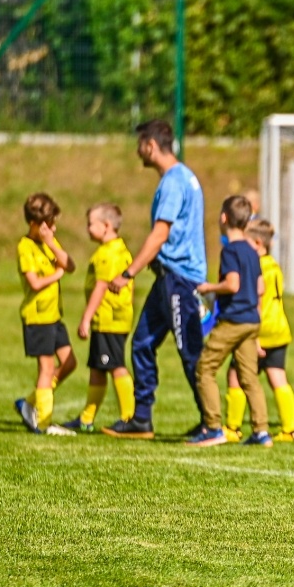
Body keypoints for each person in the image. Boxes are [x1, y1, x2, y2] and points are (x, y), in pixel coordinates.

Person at [104, 118, 207, 440]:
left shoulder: (175, 182)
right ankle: (142, 419)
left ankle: (213, 422)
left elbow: (160, 233)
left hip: (181, 280)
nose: (138, 151)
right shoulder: (181, 178)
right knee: (142, 343)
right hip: (168, 278)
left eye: (140, 145)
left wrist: (128, 273)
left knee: (190, 350)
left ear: (150, 145)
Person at [191, 196, 270, 448]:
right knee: (249, 378)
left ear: (224, 218)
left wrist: (208, 288)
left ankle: (213, 429)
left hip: (233, 321)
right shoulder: (251, 250)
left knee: (205, 369)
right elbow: (260, 287)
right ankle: (261, 432)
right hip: (251, 321)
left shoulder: (231, 250)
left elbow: (232, 283)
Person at [63, 203, 135, 433]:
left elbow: (101, 287)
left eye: (90, 224)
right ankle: (86, 418)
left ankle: (129, 417)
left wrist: (86, 318)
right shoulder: (117, 249)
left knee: (115, 366)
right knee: (97, 368)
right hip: (111, 318)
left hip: (108, 319)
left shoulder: (108, 254)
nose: (87, 228)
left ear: (106, 226)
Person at [13, 193, 78, 435]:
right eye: (48, 224)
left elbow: (70, 265)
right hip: (37, 316)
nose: (53, 228)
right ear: (33, 224)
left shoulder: (48, 241)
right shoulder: (25, 247)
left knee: (70, 363)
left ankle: (29, 403)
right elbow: (34, 283)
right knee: (47, 369)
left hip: (53, 316)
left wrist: (51, 243)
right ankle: (43, 423)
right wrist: (56, 275)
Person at [247, 220, 294, 442]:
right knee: (278, 376)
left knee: (236, 377)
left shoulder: (257, 268)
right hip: (280, 328)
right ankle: (290, 429)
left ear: (258, 243)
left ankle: (232, 427)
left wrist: (254, 336)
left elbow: (258, 303)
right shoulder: (274, 265)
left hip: (263, 328)